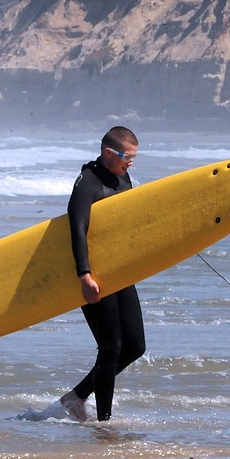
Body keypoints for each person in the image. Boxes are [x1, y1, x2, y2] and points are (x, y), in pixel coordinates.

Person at [58, 126, 146, 422]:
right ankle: (104, 422)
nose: (131, 163)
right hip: (94, 273)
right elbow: (77, 229)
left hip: (119, 270)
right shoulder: (88, 182)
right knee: (111, 347)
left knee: (135, 346)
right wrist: (84, 275)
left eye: (133, 157)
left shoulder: (123, 176)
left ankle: (76, 397)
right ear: (108, 152)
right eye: (126, 157)